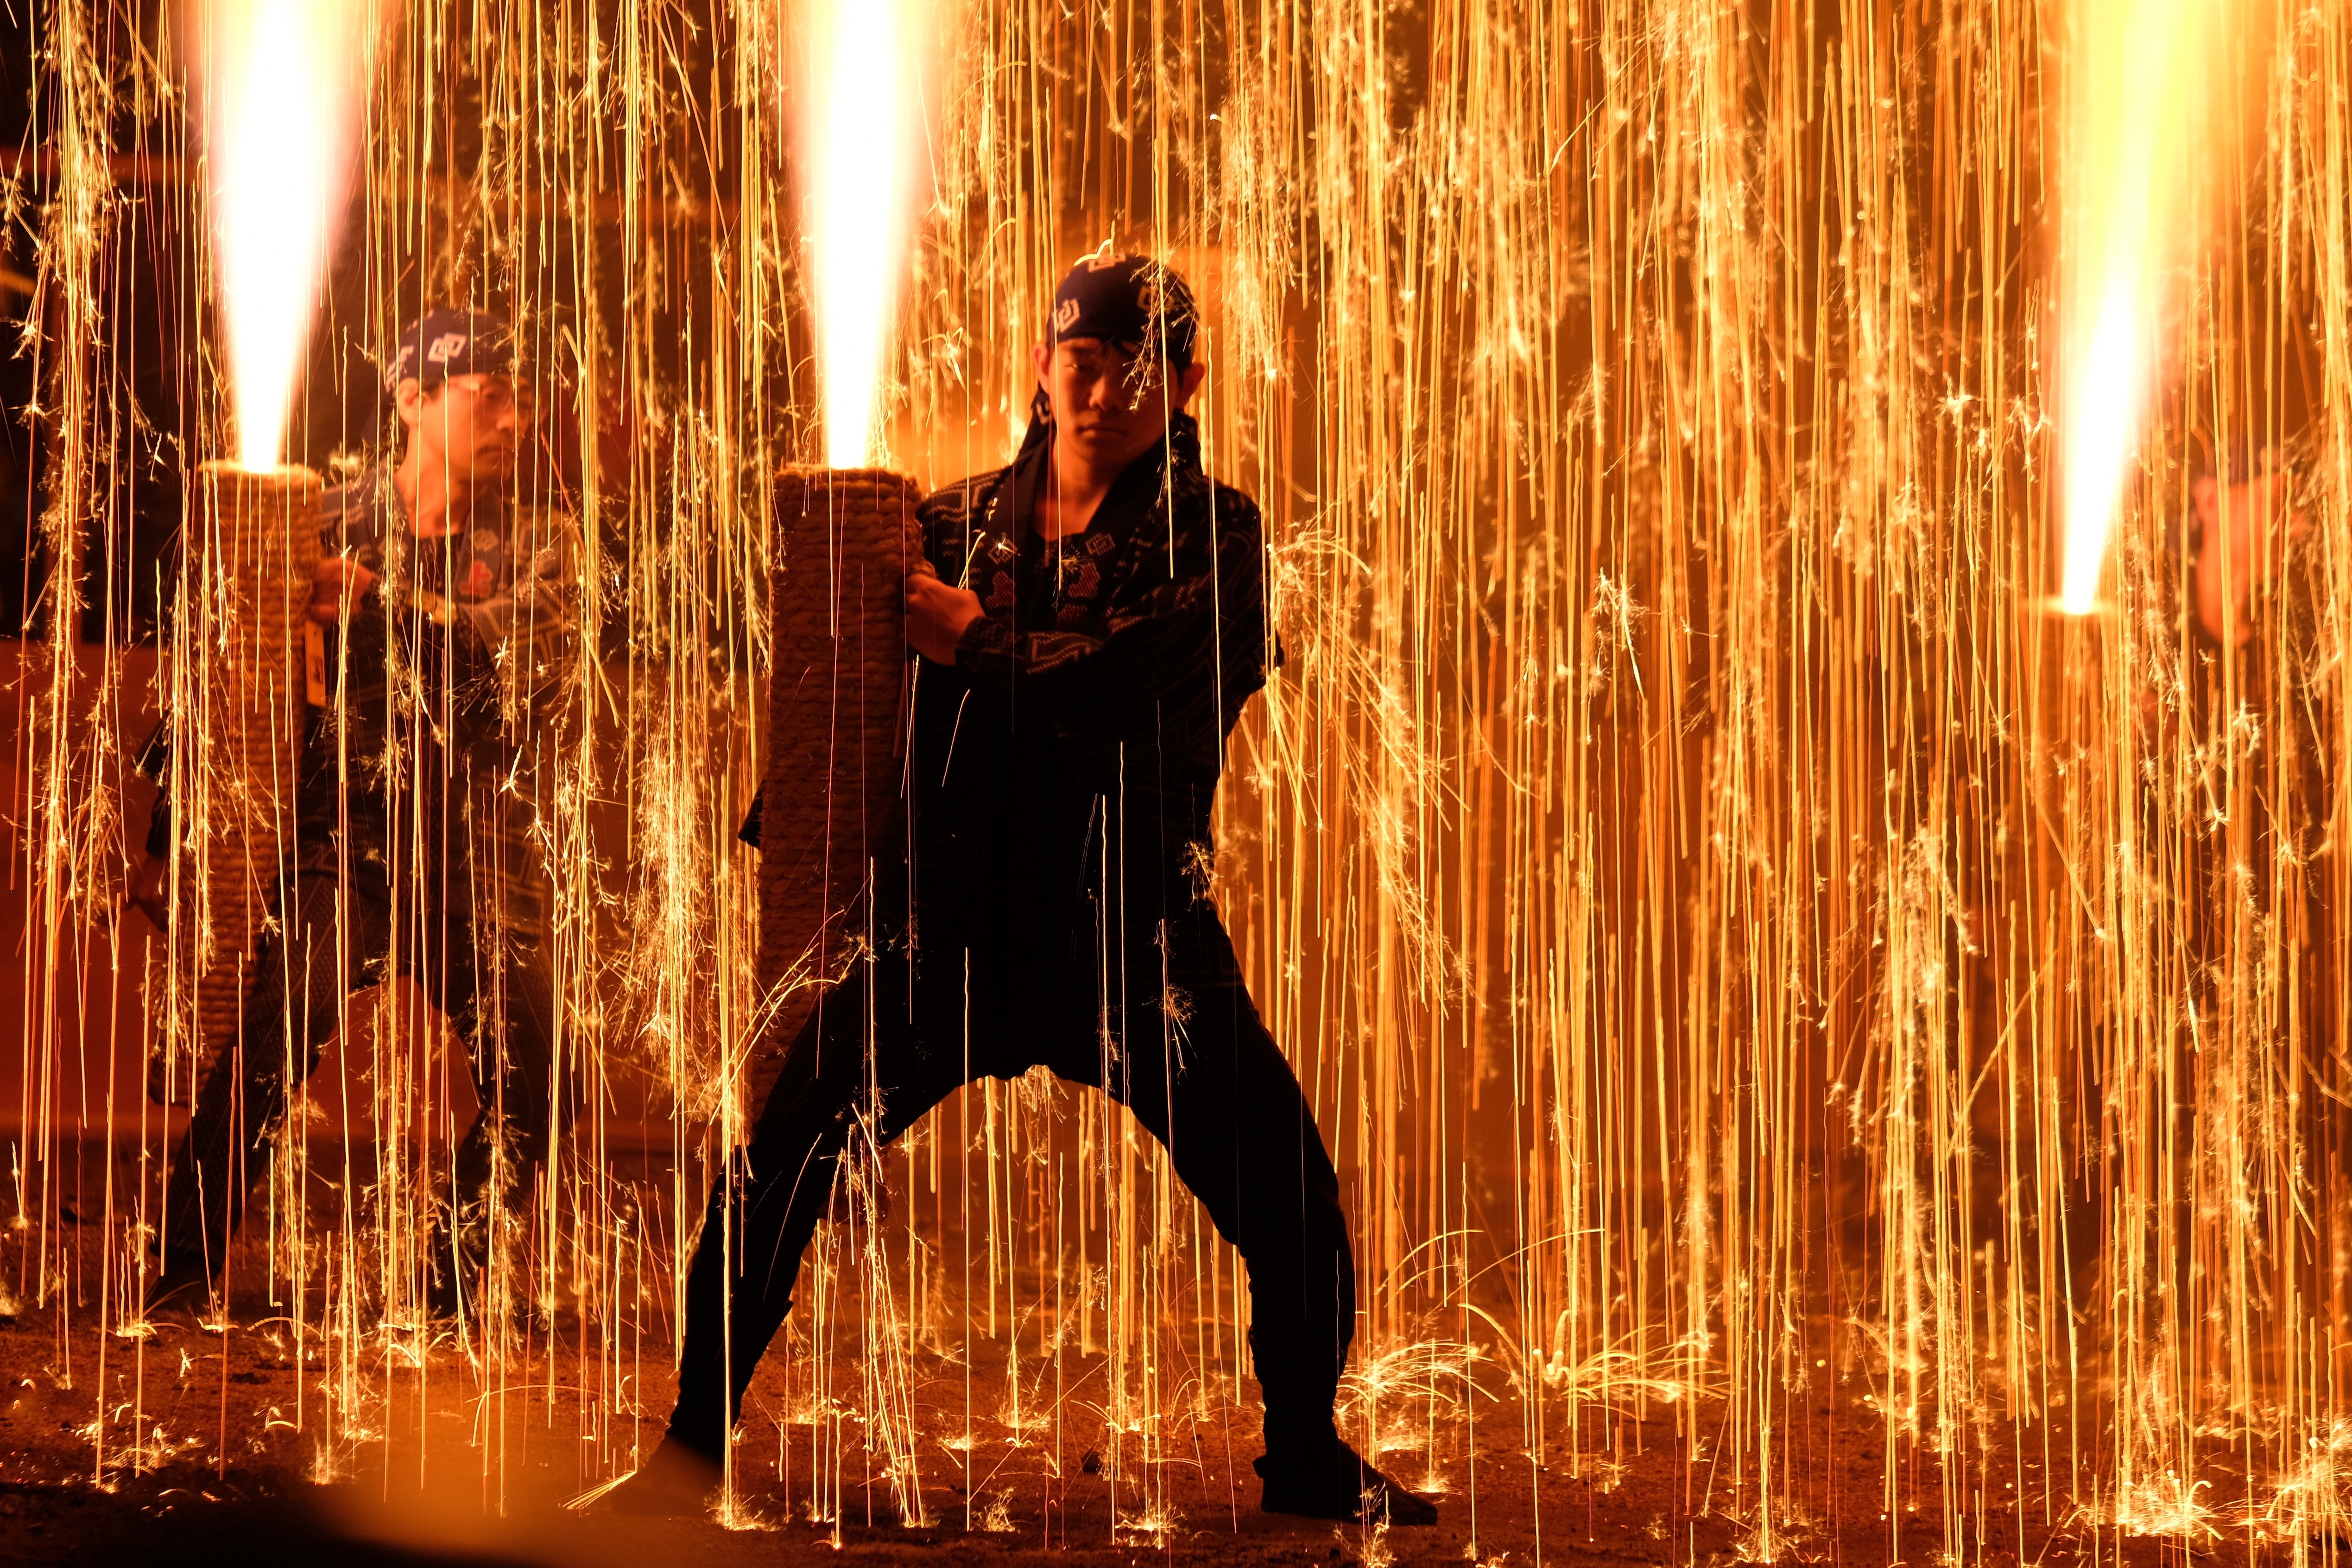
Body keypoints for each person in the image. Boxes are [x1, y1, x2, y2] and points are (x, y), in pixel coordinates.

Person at [612, 250, 1437, 1528]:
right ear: (1044, 367)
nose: (1106, 394)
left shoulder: (1217, 536)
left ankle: (1303, 1452)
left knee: (1292, 1201)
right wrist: (800, 831)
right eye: (1086, 364)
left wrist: (975, 644)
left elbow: (1114, 693)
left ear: (1187, 383)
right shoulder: (940, 526)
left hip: (1131, 934)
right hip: (944, 930)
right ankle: (687, 1450)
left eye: (1142, 370)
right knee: (772, 1171)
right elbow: (838, 692)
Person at [139, 307, 579, 1323]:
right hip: (346, 848)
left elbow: (512, 673)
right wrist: (170, 838)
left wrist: (379, 608)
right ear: (414, 400)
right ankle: (182, 1274)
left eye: (521, 397)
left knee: (543, 1073)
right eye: (489, 394)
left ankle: (441, 1293)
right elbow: (215, 677)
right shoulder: (319, 520)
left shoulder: (539, 544)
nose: (515, 418)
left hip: (473, 864)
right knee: (268, 1037)